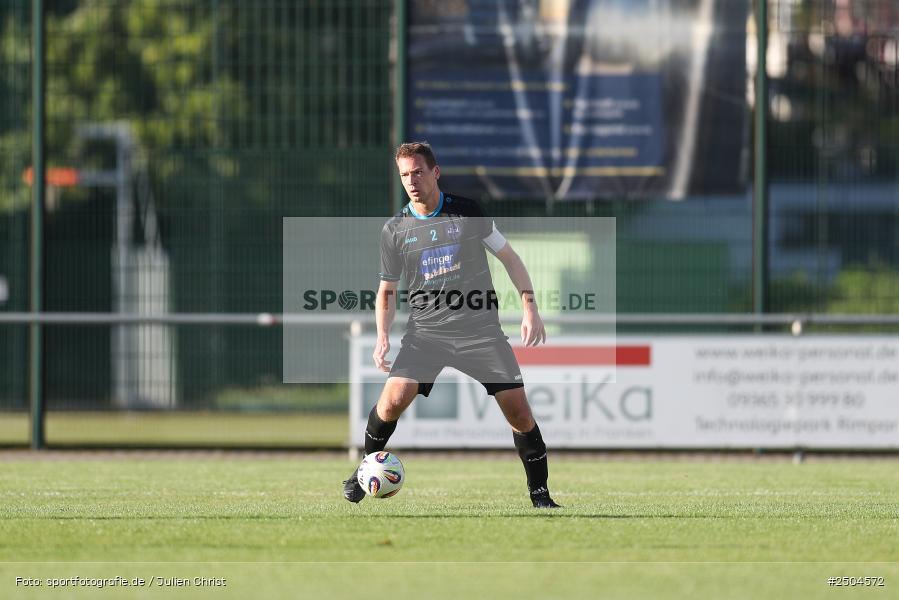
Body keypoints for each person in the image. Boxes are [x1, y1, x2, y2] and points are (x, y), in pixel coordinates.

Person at [343, 142, 560, 509]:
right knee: (391, 402)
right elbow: (387, 290)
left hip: (480, 333)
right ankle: (365, 470)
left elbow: (510, 258)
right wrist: (382, 336)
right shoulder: (395, 230)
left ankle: (540, 495)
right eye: (404, 175)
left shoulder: (467, 212)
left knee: (519, 413)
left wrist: (529, 307)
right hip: (426, 335)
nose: (411, 181)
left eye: (418, 172)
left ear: (435, 172)